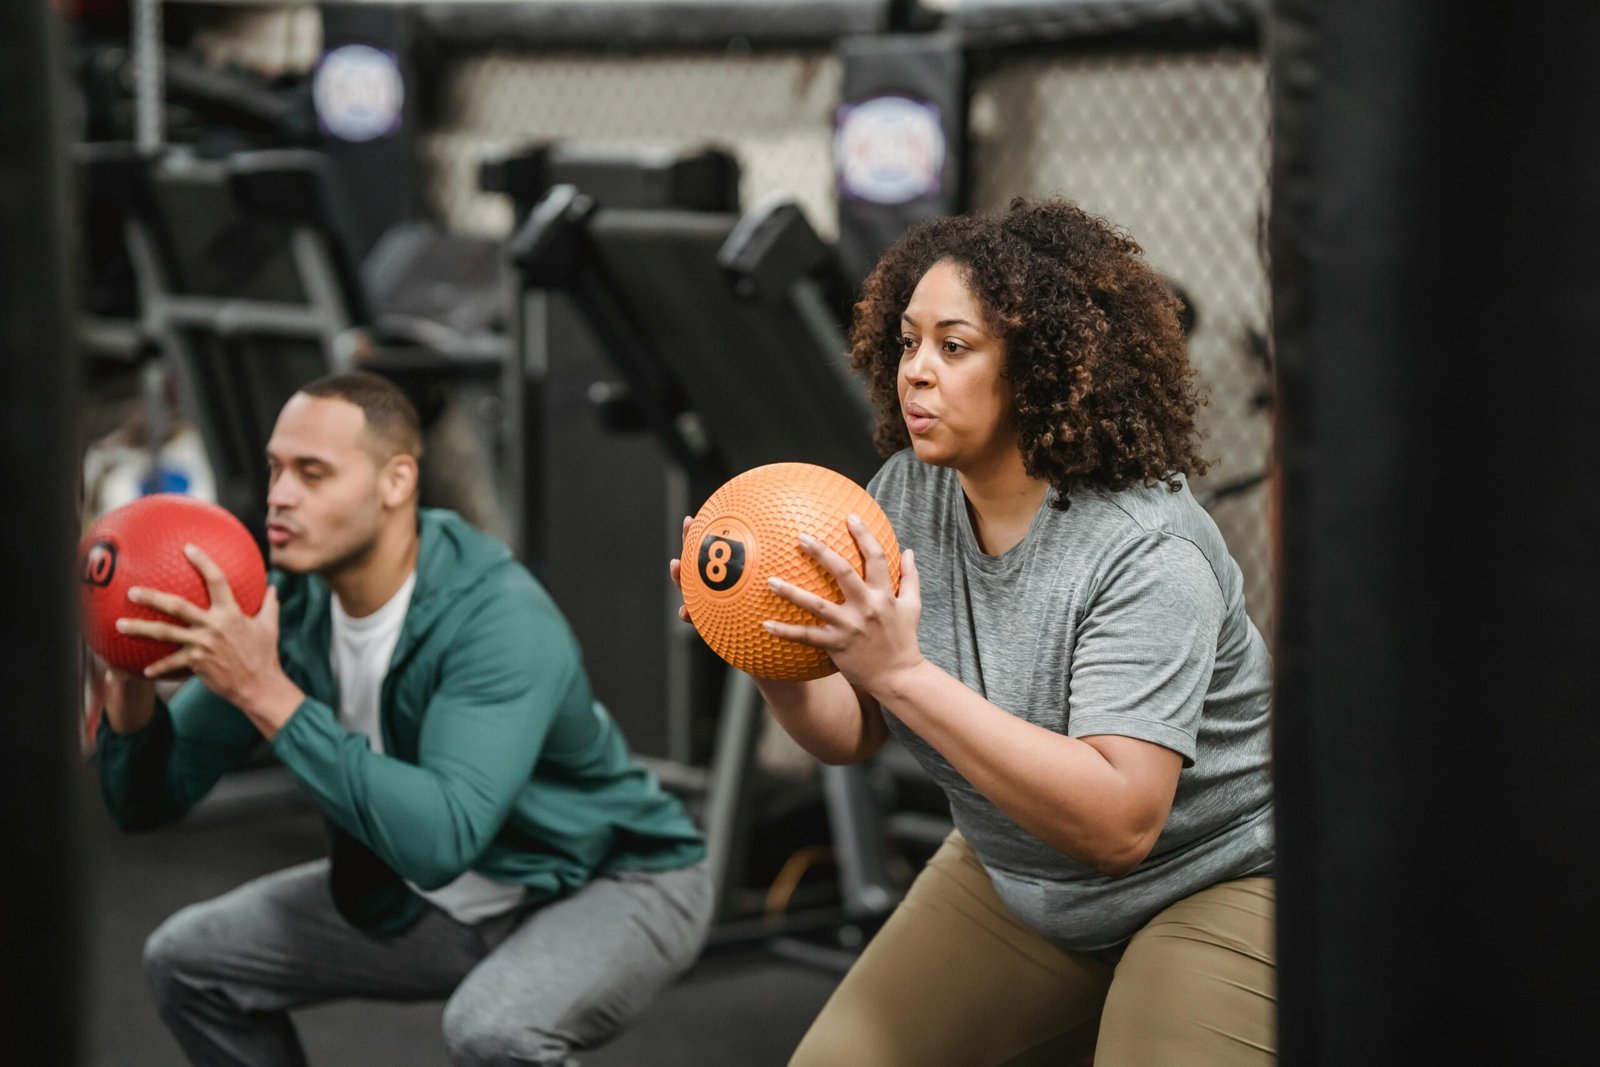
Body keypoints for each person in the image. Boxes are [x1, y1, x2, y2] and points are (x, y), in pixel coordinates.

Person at [673, 197, 1275, 1065]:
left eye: (954, 347)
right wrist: (763, 642)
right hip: (1018, 874)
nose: (915, 370)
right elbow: (853, 731)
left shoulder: (1145, 551)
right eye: (909, 341)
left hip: (1217, 878)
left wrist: (902, 672)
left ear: (1040, 365)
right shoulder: (904, 496)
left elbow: (1121, 825)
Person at [98, 371, 711, 1067]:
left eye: (312, 472)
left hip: (613, 880)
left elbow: (441, 837)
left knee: (492, 1031)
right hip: (438, 900)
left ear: (395, 482)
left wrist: (263, 691)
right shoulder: (289, 608)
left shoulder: (495, 617)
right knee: (187, 960)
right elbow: (144, 803)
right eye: (274, 469)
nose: (278, 496)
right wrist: (131, 690)